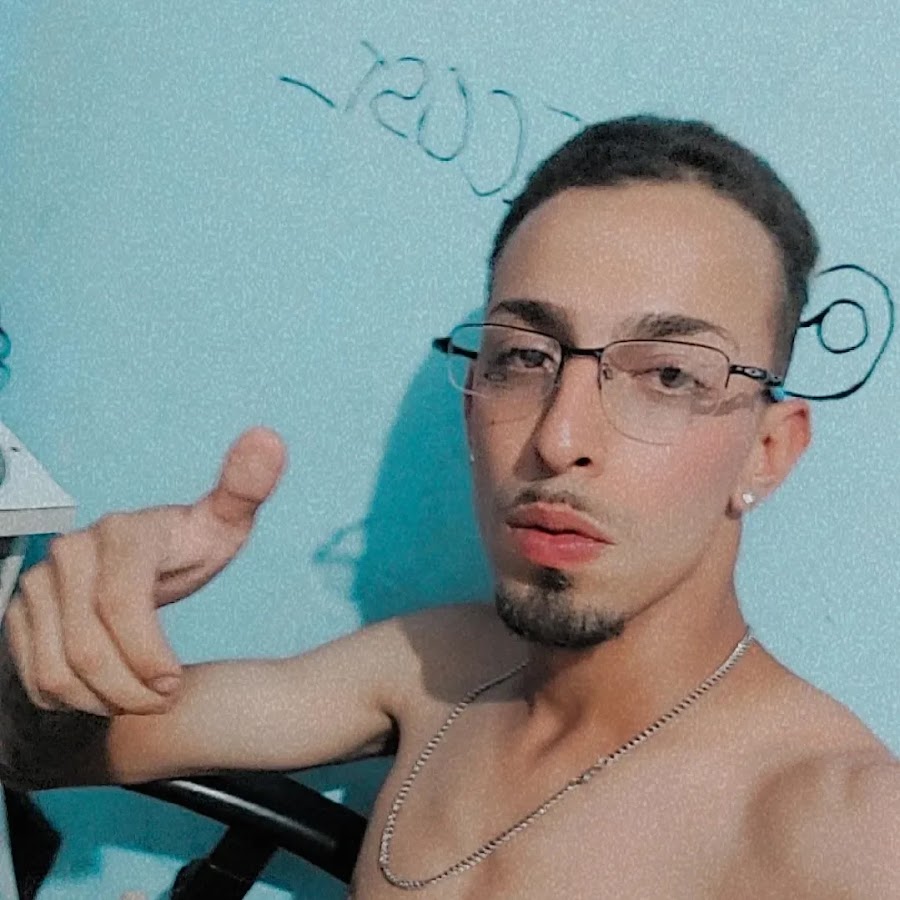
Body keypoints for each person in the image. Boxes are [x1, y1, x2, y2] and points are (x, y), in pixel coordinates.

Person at [1, 116, 897, 899]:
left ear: (768, 451)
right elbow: (35, 749)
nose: (559, 438)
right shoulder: (437, 666)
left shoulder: (841, 824)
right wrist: (54, 650)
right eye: (524, 357)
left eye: (667, 375)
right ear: (472, 403)